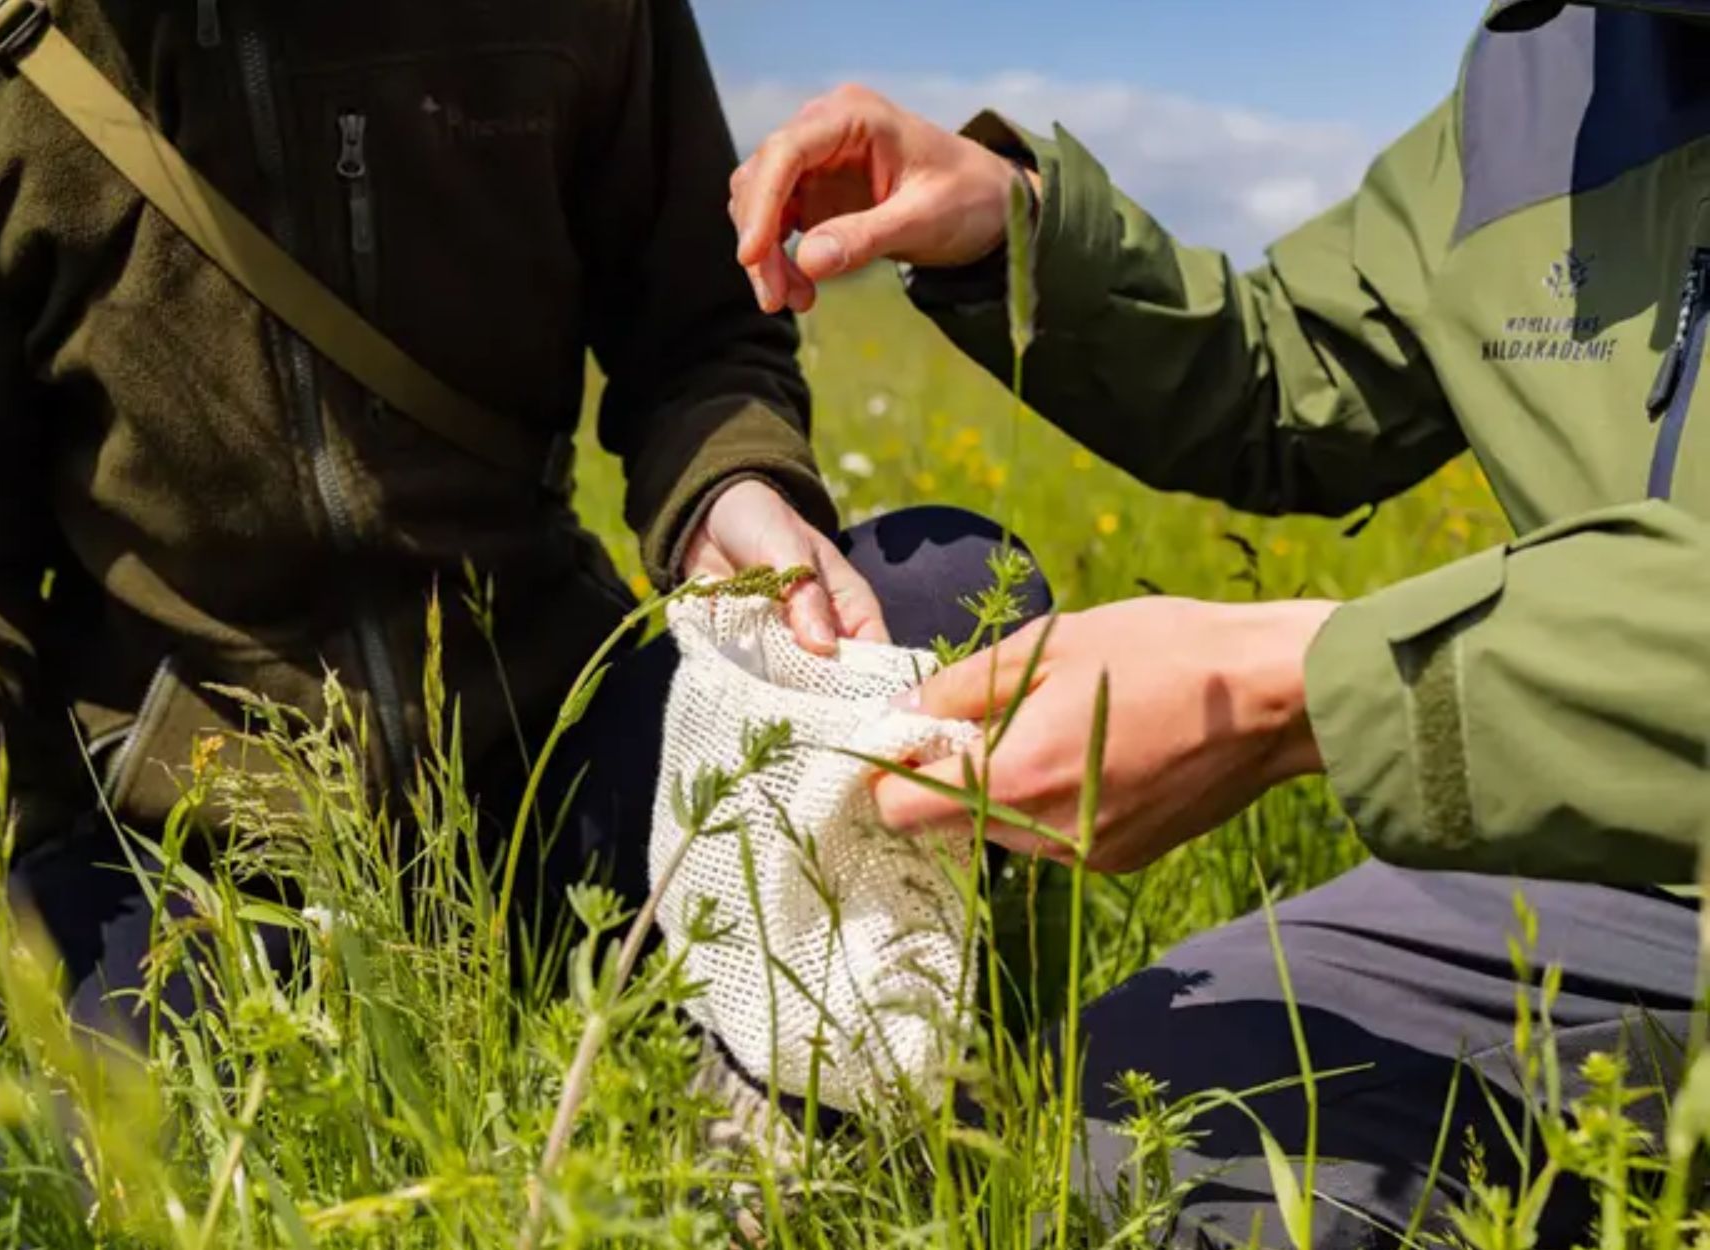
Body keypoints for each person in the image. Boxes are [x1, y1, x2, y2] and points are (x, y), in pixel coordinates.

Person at [0, 0, 1049, 1052]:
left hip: (566, 766)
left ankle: (780, 1116)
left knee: (955, 607)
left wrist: (730, 490)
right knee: (60, 1146)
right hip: (195, 856)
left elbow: (701, 342)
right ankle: (709, 1032)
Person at [729, 0, 1706, 1243]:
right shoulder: (1541, 73)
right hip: (1607, 859)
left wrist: (1295, 683)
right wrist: (1014, 231)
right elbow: (1296, 370)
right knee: (1138, 1135)